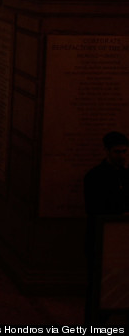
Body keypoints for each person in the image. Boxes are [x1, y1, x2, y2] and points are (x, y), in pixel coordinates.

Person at [82, 131, 129, 322]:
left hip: (123, 241)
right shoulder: (94, 177)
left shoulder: (126, 176)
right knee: (97, 288)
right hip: (101, 239)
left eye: (125, 151)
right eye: (117, 152)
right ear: (107, 151)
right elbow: (93, 207)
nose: (122, 156)